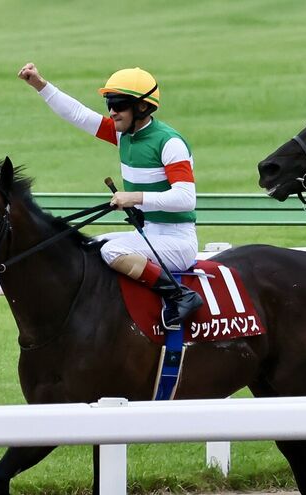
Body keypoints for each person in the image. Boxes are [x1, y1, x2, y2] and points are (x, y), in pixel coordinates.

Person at [18, 63, 203, 329]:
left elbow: (186, 198)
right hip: (150, 235)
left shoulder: (169, 143)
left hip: (177, 241)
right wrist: (39, 85)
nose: (112, 111)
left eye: (119, 104)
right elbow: (79, 115)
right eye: (109, 104)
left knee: (112, 250)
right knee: (90, 248)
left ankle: (180, 295)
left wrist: (134, 198)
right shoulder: (123, 135)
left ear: (141, 107)